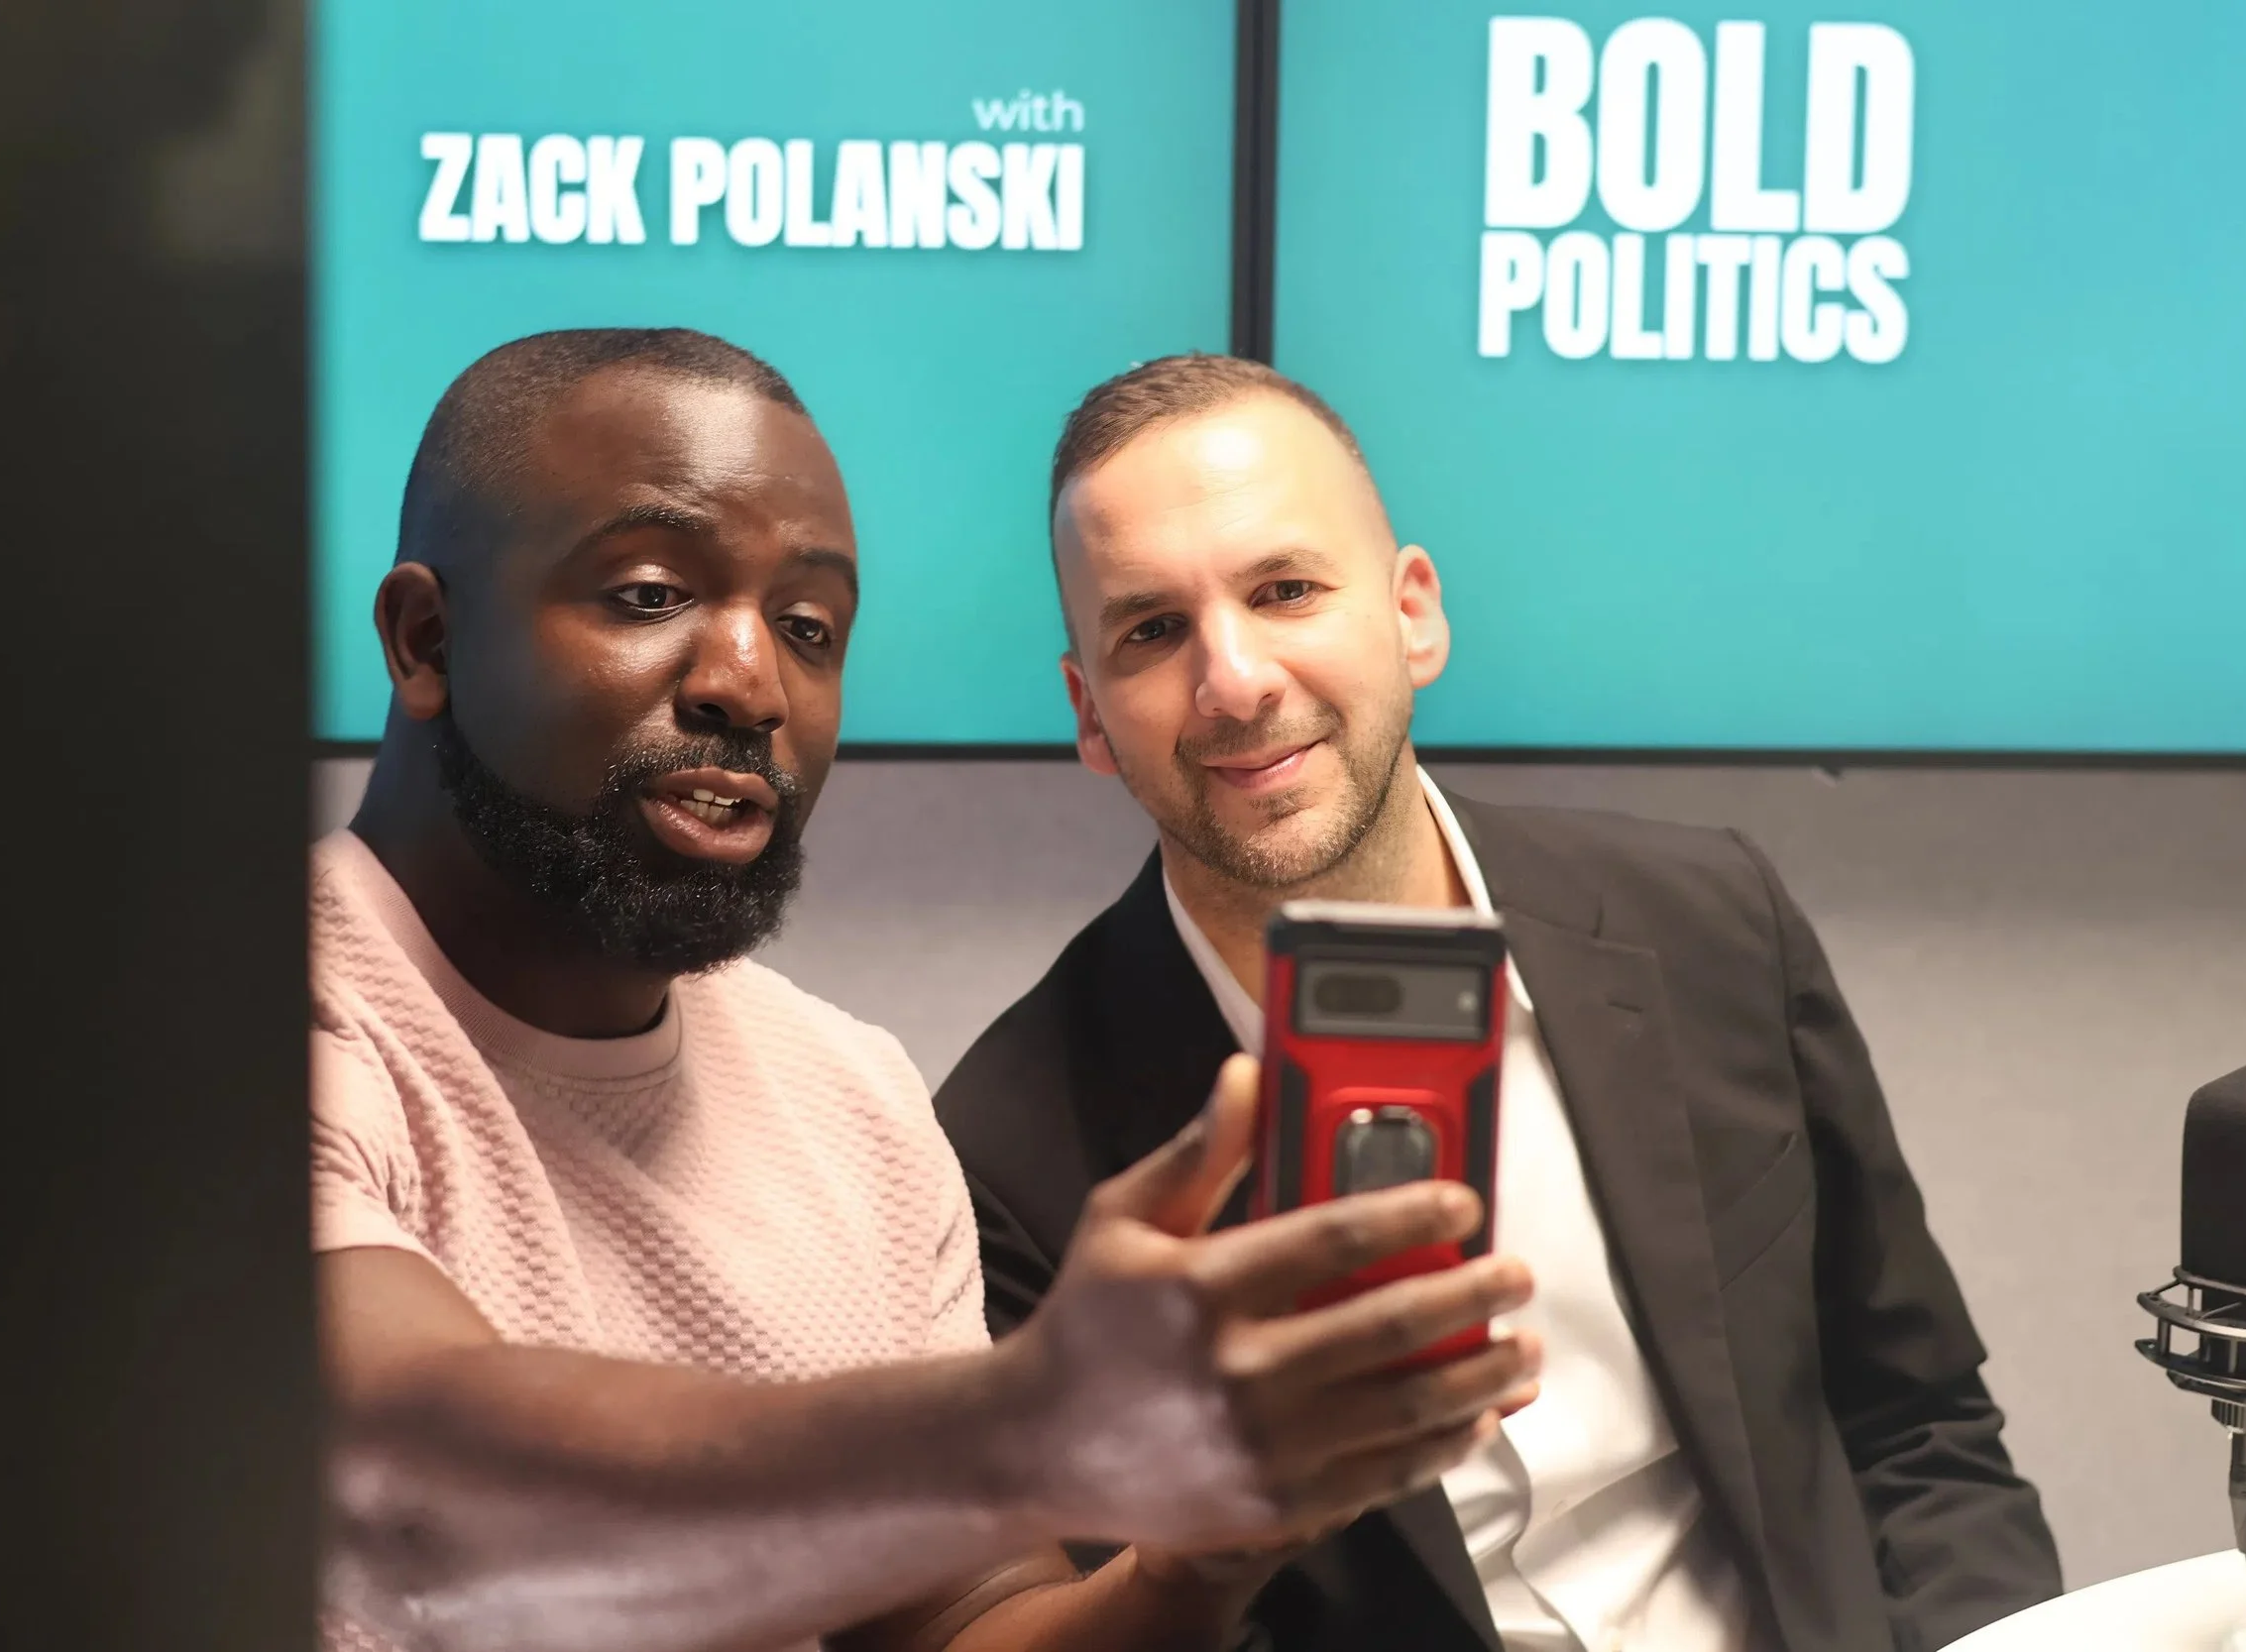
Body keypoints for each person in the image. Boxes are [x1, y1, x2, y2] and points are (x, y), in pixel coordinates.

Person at [310, 328, 1549, 1652]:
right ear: (426, 638)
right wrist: (1031, 1422)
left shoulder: (854, 1100)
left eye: (808, 628)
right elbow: (416, 1495)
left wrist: (1201, 1558)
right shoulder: (229, 1030)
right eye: (651, 594)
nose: (749, 684)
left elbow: (971, 1620)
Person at [933, 354, 2064, 1652]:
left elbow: (1918, 1424)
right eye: (1151, 631)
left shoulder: (1708, 922)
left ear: (1413, 614)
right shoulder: (1004, 1160)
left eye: (1285, 589)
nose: (1234, 679)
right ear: (1089, 715)